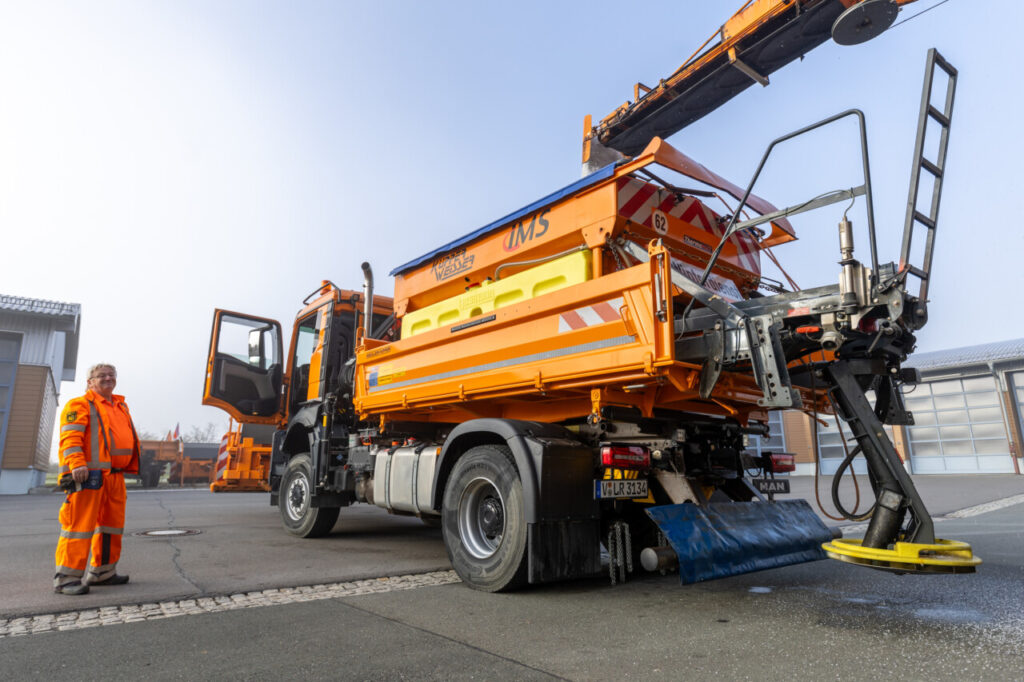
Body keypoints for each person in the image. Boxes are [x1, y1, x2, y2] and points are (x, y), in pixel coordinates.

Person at [53, 363, 140, 595]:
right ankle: (66, 578)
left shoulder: (120, 405)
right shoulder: (79, 404)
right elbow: (70, 437)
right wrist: (77, 463)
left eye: (111, 375)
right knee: (78, 527)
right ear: (89, 381)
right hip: (88, 476)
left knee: (111, 527)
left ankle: (103, 572)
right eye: (101, 376)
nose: (107, 378)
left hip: (114, 477)